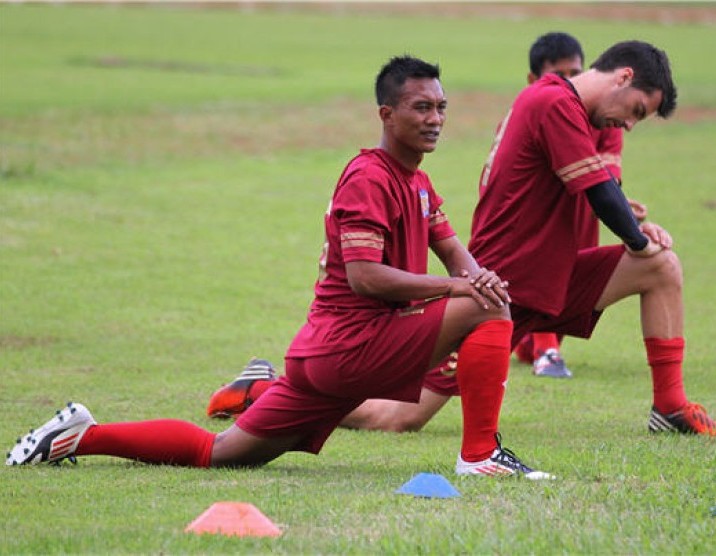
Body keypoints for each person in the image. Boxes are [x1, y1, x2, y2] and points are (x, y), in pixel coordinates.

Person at [6, 56, 551, 479]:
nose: (435, 119)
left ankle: (82, 435)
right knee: (487, 308)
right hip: (352, 345)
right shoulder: (368, 177)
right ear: (387, 114)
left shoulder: (417, 180)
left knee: (220, 455)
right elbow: (366, 277)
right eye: (421, 108)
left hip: (326, 355)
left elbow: (454, 249)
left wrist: (475, 273)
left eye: (441, 108)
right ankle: (481, 454)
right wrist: (466, 287)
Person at [208, 40, 716, 439]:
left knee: (661, 267)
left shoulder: (564, 109)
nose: (630, 124)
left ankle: (669, 408)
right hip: (495, 289)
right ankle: (268, 388)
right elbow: (600, 192)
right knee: (402, 418)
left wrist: (638, 227)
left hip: (545, 278)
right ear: (624, 77)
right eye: (637, 111)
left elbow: (604, 188)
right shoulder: (551, 102)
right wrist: (635, 235)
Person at [513, 31, 647, 379]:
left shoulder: (606, 117)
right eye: (560, 74)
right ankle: (546, 350)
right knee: (543, 282)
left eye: (576, 71)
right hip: (542, 229)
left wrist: (620, 206)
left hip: (582, 221)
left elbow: (604, 185)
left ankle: (536, 344)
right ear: (533, 80)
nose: (570, 81)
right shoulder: (544, 108)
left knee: (552, 308)